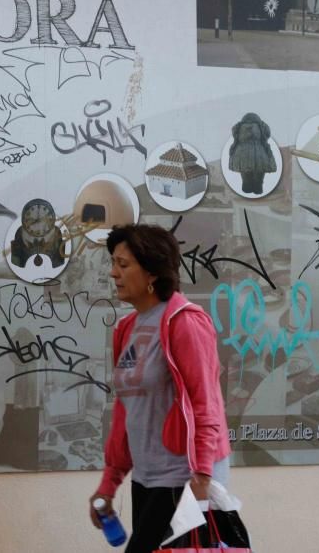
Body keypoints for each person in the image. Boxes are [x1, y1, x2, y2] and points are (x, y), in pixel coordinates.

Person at [89, 224, 231, 552]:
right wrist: (108, 485)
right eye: (114, 263)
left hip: (184, 479)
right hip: (146, 478)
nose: (113, 273)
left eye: (123, 265)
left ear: (151, 271)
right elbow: (126, 410)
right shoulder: (127, 329)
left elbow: (205, 403)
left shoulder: (184, 323)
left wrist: (203, 477)